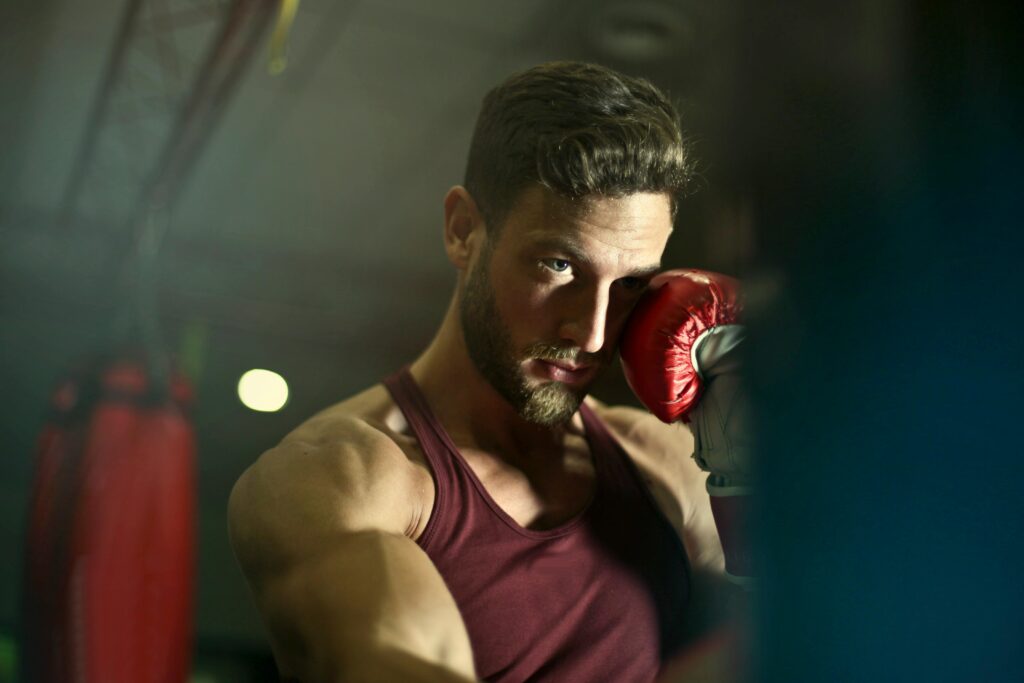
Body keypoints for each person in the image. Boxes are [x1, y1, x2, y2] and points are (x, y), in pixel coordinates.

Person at [227, 61, 747, 683]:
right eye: (558, 265)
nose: (591, 332)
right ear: (462, 231)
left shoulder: (663, 465)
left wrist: (760, 488)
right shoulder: (342, 479)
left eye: (632, 284)